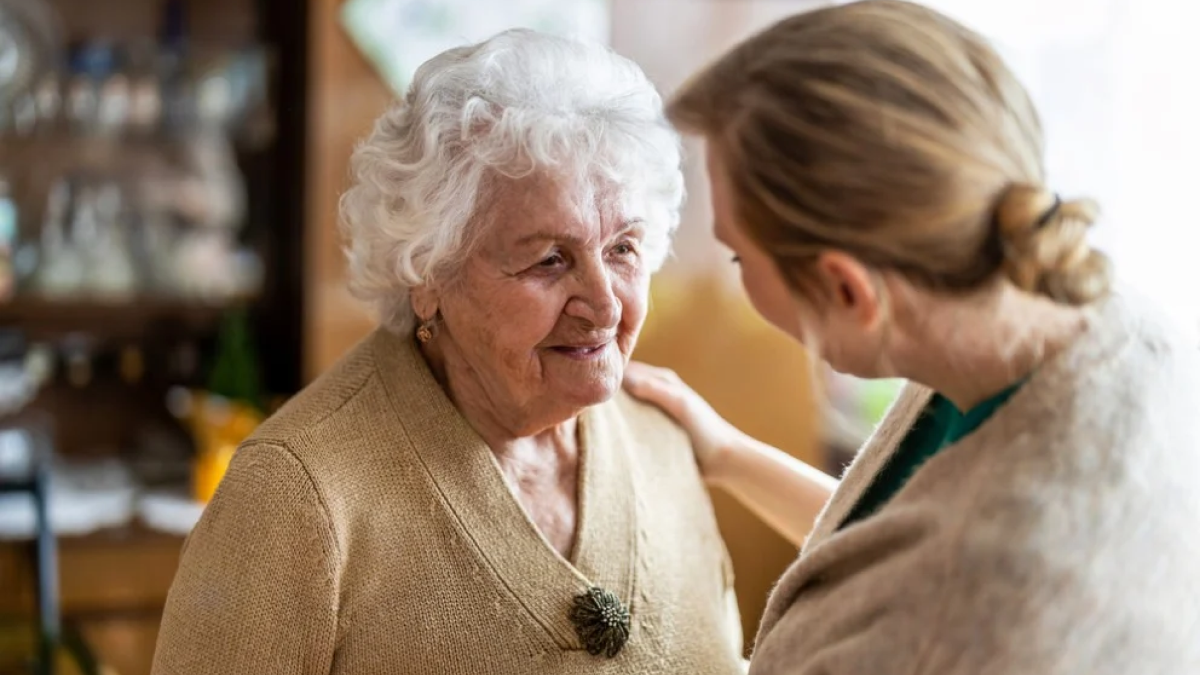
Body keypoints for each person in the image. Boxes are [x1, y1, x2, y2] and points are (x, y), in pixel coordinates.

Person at [624, 2, 1200, 673]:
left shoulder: (982, 605)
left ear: (847, 289)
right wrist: (726, 452)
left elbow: (930, 584)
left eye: (736, 256)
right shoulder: (1095, 320)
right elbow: (894, 545)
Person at [152, 29, 744, 675]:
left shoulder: (664, 439)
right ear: (429, 275)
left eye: (623, 249)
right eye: (550, 259)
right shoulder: (295, 496)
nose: (604, 305)